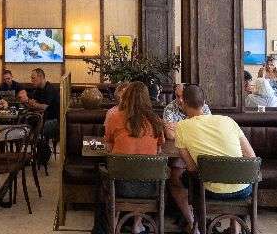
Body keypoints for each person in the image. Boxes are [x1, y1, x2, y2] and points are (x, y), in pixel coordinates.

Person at [174, 85, 257, 233]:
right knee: (237, 178)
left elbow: (192, 168)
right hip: (243, 190)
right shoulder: (228, 120)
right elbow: (251, 157)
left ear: (183, 103)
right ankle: (235, 228)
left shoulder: (181, 127)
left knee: (184, 178)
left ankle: (195, 225)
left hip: (210, 191)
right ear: (204, 103)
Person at [103, 82, 164, 234]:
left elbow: (109, 148)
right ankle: (137, 224)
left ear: (126, 97)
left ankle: (113, 223)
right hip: (150, 189)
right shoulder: (156, 120)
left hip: (120, 186)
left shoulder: (115, 117)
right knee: (144, 170)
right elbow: (159, 150)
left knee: (113, 171)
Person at [162, 84, 210, 233]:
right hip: (179, 154)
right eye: (177, 96)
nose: (180, 100)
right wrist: (192, 130)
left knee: (194, 176)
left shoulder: (204, 107)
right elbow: (169, 135)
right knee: (175, 174)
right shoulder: (170, 108)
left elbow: (205, 132)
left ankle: (196, 221)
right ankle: (191, 220)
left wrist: (179, 127)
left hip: (201, 155)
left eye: (183, 96)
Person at [25, 68, 61, 140]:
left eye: (33, 78)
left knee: (29, 124)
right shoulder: (38, 89)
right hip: (42, 117)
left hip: (53, 120)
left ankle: (36, 142)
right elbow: (34, 103)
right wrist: (28, 102)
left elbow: (44, 107)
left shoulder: (50, 89)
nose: (31, 80)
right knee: (24, 120)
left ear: (41, 77)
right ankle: (30, 142)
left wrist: (34, 104)